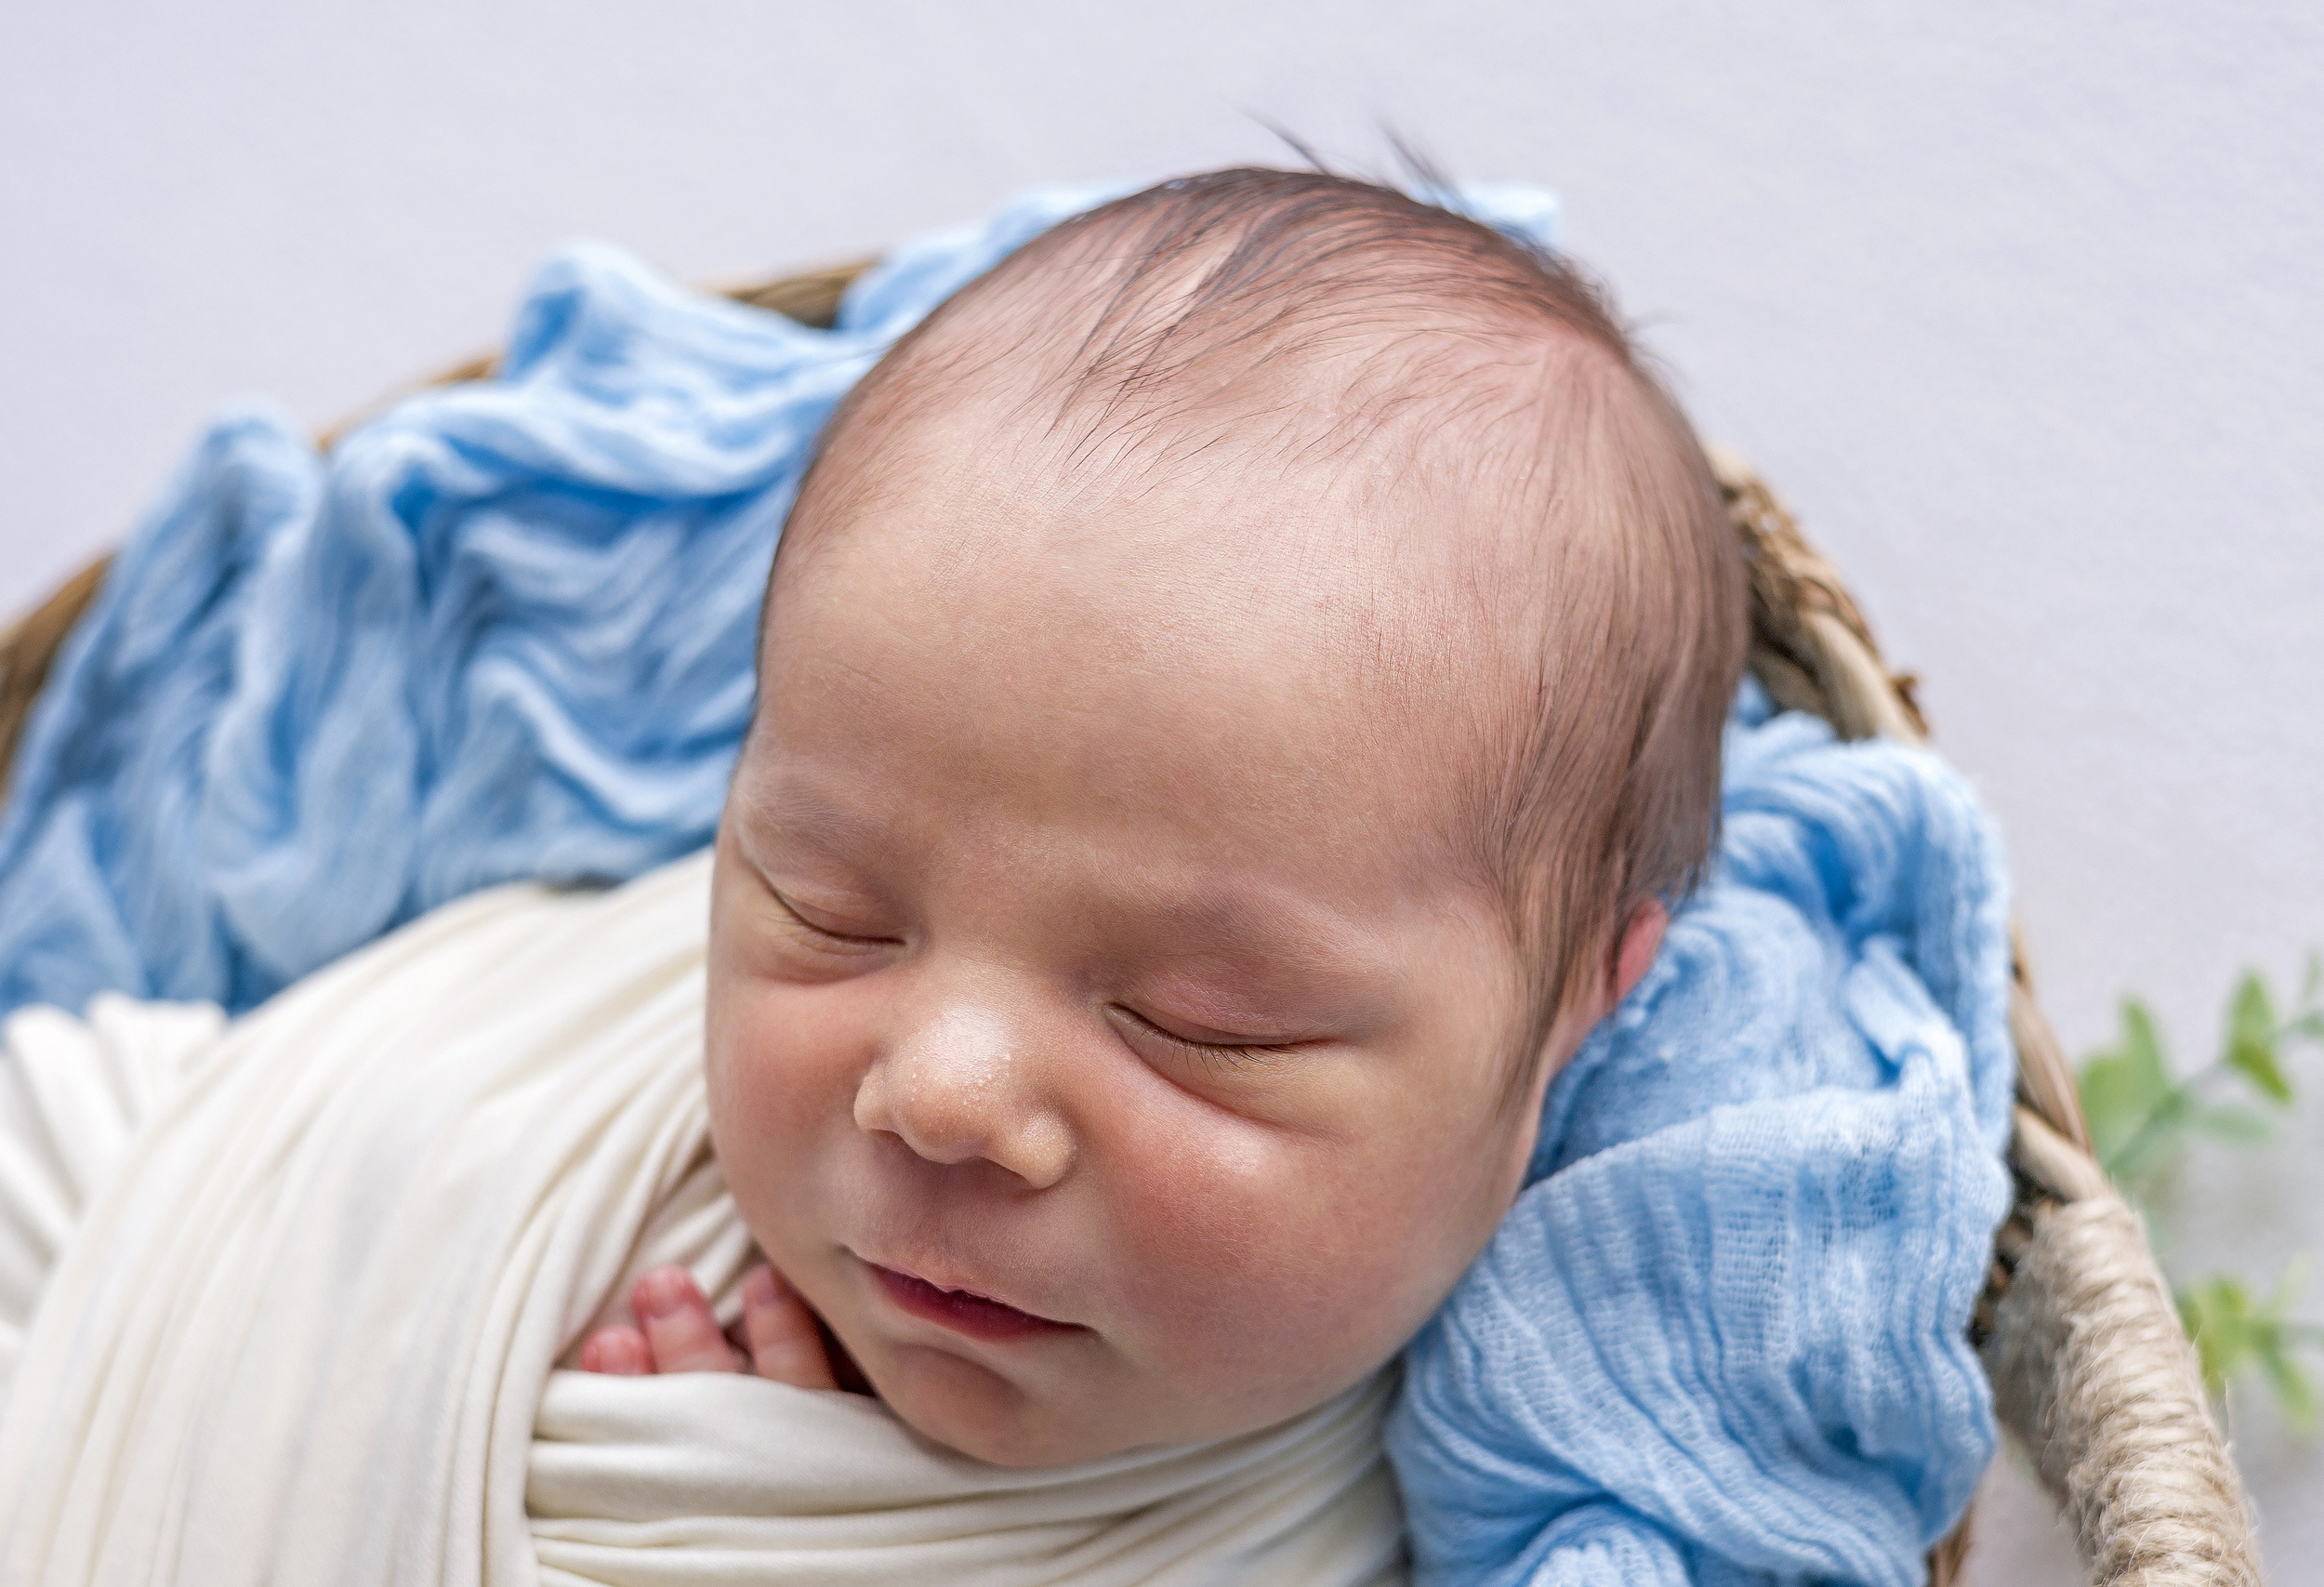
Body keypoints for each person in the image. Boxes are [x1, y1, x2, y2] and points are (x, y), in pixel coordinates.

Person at [573, 165, 1742, 1465]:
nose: (944, 1095)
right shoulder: (546, 1139)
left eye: (1206, 1021)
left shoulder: (1569, 1466)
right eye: (825, 909)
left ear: (1580, 1009)